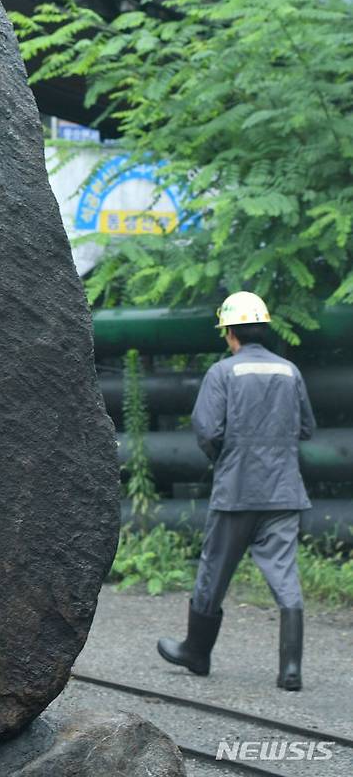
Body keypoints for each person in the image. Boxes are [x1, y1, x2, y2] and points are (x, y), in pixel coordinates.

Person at [157, 291, 316, 691]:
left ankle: (196, 651)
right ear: (263, 329)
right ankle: (291, 670)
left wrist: (225, 458)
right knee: (284, 576)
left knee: (214, 570)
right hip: (284, 492)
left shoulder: (223, 372)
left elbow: (207, 430)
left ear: (229, 333)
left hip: (237, 492)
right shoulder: (290, 371)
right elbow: (307, 429)